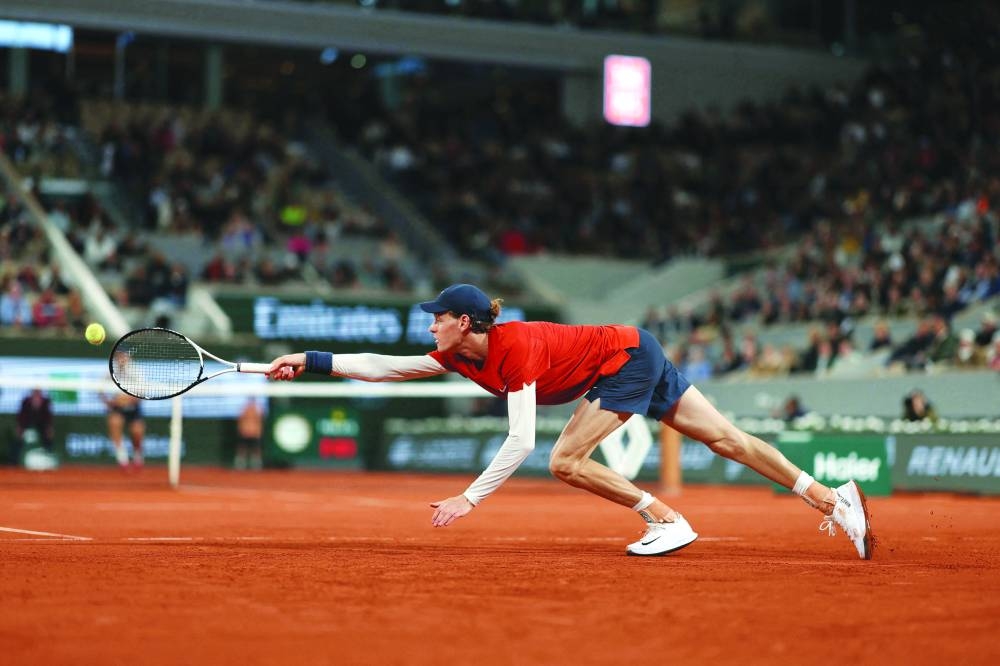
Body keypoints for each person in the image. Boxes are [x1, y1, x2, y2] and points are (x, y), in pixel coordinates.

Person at [267, 284, 875, 559]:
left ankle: (663, 518)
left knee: (563, 461)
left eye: (440, 318)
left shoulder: (517, 348)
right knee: (727, 440)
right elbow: (387, 367)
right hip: (638, 349)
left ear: (469, 323)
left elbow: (523, 438)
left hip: (628, 359)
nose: (431, 326)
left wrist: (470, 499)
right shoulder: (457, 354)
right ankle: (835, 501)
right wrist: (311, 359)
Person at [100, 391, 145, 469]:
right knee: (114, 422)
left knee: (137, 431)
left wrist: (129, 400)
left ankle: (137, 455)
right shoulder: (108, 378)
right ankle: (122, 457)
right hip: (116, 408)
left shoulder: (137, 379)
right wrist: (112, 401)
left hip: (133, 409)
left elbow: (141, 394)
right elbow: (101, 391)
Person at [13, 389, 55, 465]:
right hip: (27, 423)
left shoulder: (46, 401)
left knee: (48, 436)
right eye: (35, 392)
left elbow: (48, 418)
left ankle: (49, 457)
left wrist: (49, 428)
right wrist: (20, 428)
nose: (37, 393)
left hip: (42, 425)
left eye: (38, 392)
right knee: (18, 437)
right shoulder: (26, 401)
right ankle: (15, 461)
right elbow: (21, 417)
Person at [235, 398, 264, 471]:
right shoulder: (245, 409)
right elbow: (241, 420)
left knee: (255, 449)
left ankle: (255, 465)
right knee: (243, 448)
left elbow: (259, 421)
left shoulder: (257, 409)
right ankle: (241, 465)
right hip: (246, 432)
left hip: (253, 433)